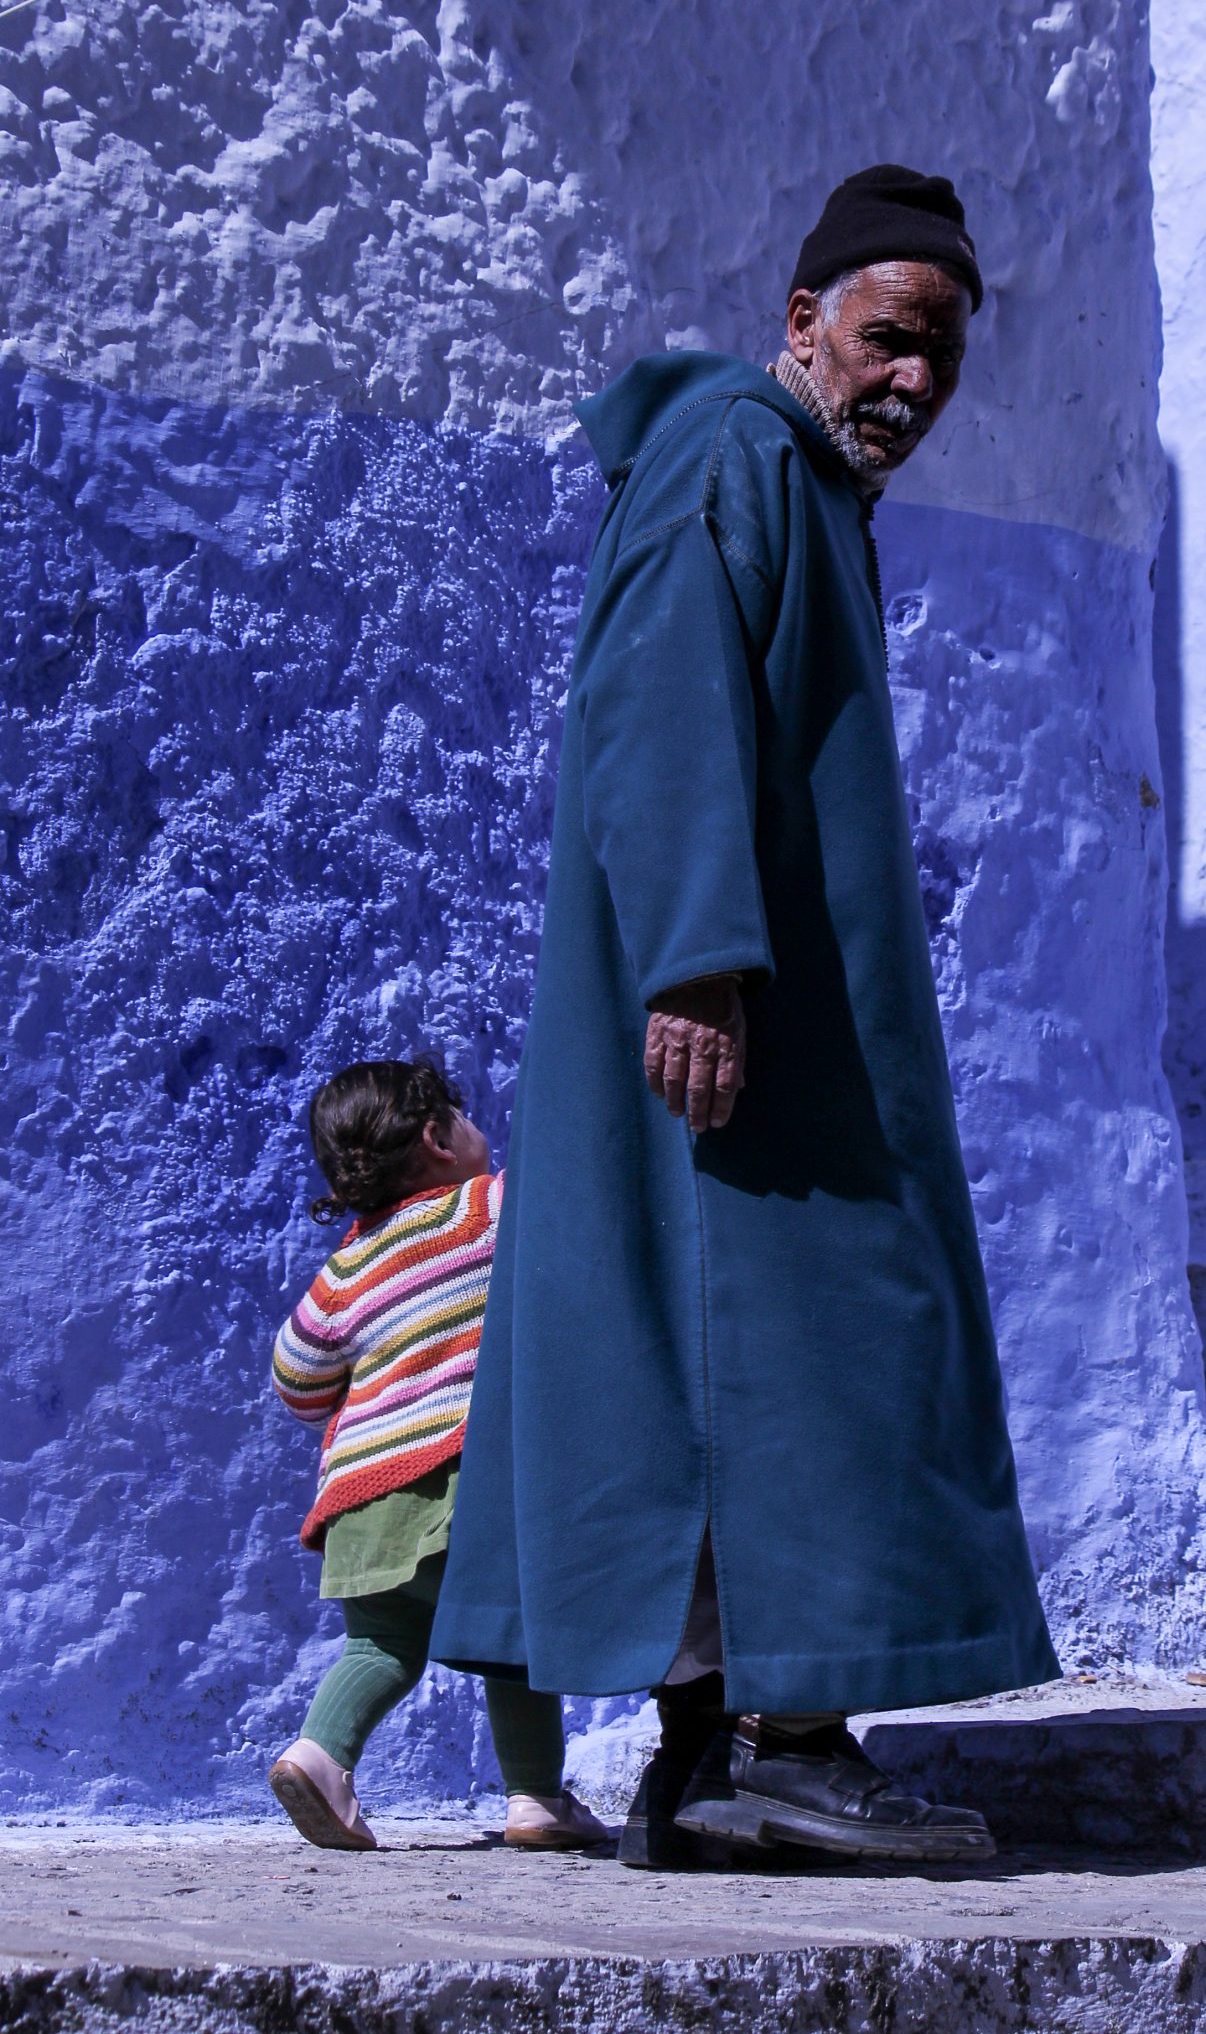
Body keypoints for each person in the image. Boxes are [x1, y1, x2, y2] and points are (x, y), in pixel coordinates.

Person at [432, 165, 1059, 1865]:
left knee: (724, 1364)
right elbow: (659, 704)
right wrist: (701, 956)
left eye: (941, 356)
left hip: (775, 1021)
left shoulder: (794, 483)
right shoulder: (732, 452)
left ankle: (706, 1763)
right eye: (889, 338)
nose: (913, 382)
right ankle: (789, 1737)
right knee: (804, 1340)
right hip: (738, 1025)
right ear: (804, 322)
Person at [268, 1056, 608, 1854]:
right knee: (511, 1636)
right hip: (461, 1483)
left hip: (360, 1500)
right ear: (436, 1135)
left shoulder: (344, 1269)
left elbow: (296, 1379)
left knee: (378, 1645)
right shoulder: (485, 1208)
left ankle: (318, 1757)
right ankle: (535, 1797)